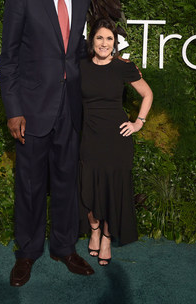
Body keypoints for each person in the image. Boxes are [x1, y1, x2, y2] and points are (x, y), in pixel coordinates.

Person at [0, 0, 94, 287]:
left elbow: (75, 53)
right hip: (32, 110)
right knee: (30, 185)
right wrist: (13, 109)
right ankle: (26, 253)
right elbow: (8, 59)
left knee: (68, 184)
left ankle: (64, 247)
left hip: (70, 109)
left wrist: (108, 65)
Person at [79, 18, 153, 266]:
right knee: (88, 187)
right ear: (92, 40)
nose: (104, 43)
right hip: (89, 137)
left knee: (113, 191)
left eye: (109, 39)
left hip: (117, 138)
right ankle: (95, 229)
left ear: (115, 43)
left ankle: (107, 238)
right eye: (99, 37)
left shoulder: (123, 67)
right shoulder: (82, 67)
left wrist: (138, 122)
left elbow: (147, 93)